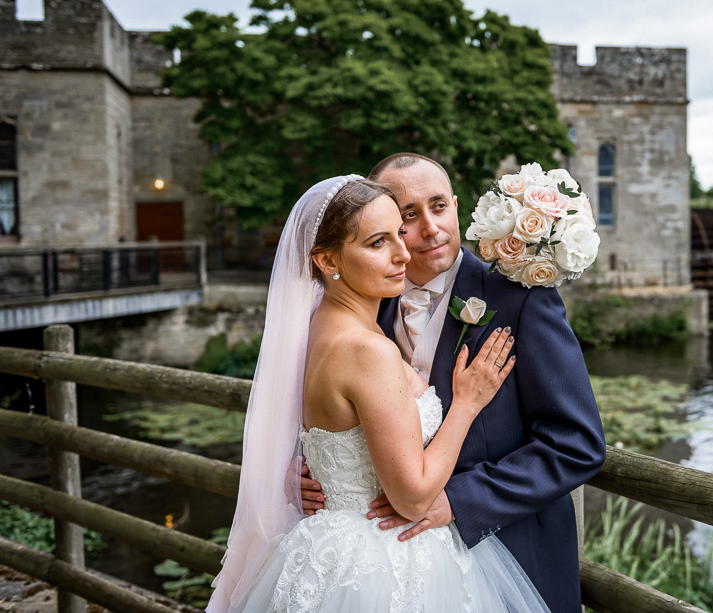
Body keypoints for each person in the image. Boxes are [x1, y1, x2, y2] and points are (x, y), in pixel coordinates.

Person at [207, 175, 550, 612]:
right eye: (378, 243)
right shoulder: (367, 350)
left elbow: (336, 434)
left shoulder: (314, 328)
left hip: (324, 549)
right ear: (327, 259)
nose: (403, 253)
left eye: (398, 234)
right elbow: (413, 498)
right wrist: (466, 404)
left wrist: (303, 470)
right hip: (383, 563)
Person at [300, 154, 606, 612]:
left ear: (457, 206)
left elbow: (577, 444)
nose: (430, 228)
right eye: (408, 215)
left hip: (513, 558)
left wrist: (460, 501)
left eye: (439, 206)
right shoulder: (365, 307)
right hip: (389, 573)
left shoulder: (522, 300)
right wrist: (311, 469)